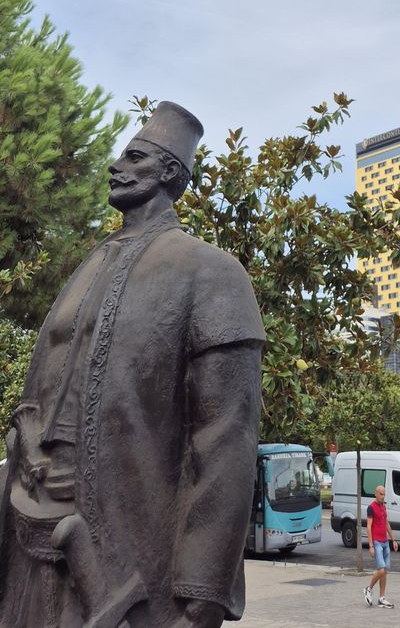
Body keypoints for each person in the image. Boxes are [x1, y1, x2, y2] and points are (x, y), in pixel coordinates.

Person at [0, 101, 265, 628]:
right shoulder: (86, 266)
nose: (115, 166)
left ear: (169, 173)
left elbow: (226, 439)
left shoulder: (212, 273)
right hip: (29, 540)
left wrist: (203, 592)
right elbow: (33, 400)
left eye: (133, 157)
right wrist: (23, 441)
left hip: (124, 563)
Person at [363, 485, 398, 608]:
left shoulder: (383, 507)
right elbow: (368, 526)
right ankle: (368, 588)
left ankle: (382, 598)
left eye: (384, 494)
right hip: (377, 542)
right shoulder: (371, 508)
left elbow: (386, 523)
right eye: (381, 494)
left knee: (385, 572)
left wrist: (393, 539)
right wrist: (371, 545)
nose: (383, 496)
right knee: (381, 569)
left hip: (385, 541)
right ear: (376, 494)